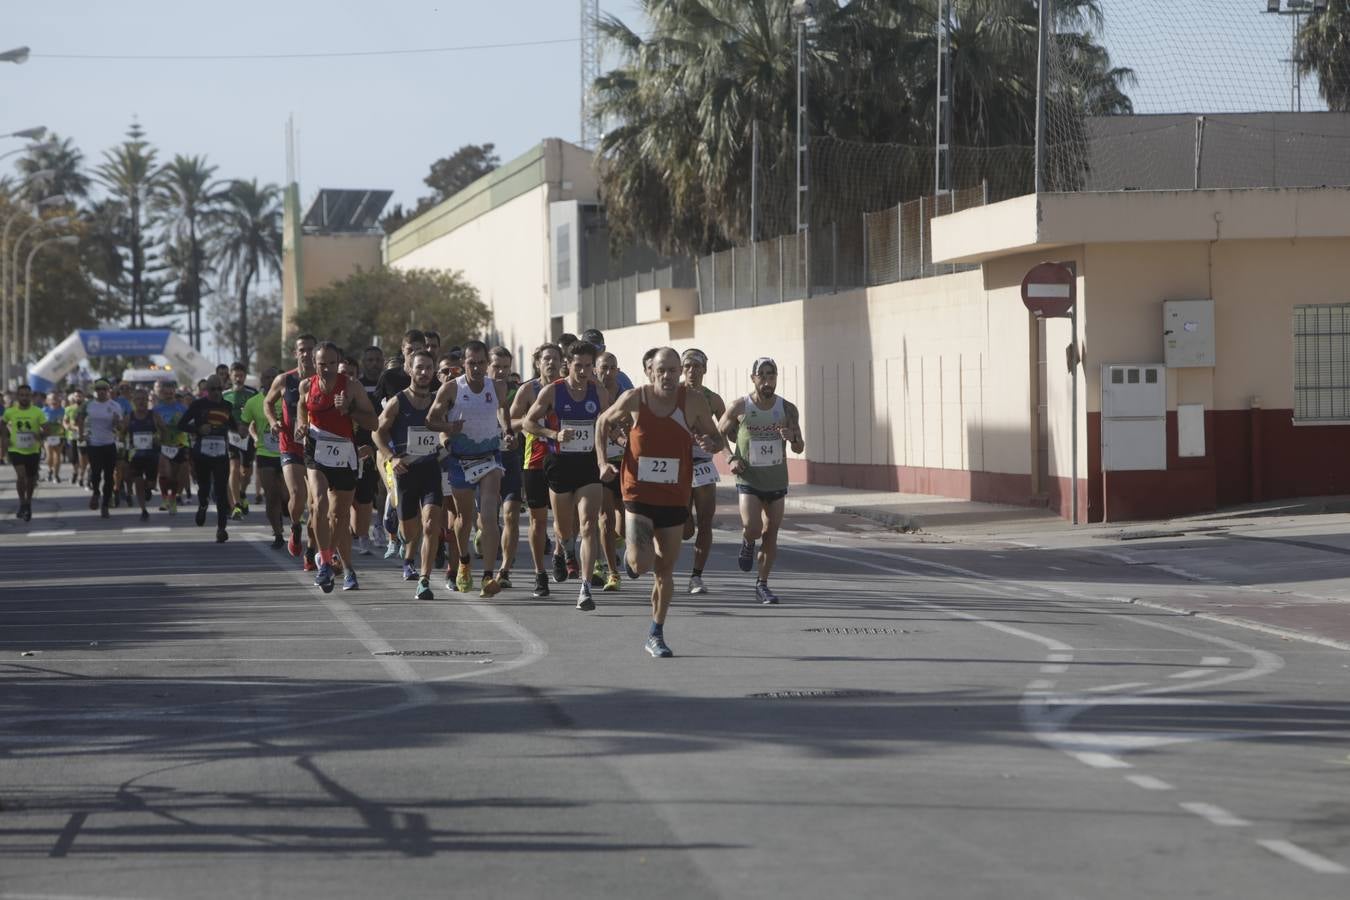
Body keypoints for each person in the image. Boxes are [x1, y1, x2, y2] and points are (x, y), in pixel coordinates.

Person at [597, 347, 723, 657]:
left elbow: (717, 437)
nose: (667, 375)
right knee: (642, 563)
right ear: (650, 371)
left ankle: (656, 632)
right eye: (661, 370)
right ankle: (632, 557)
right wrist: (603, 462)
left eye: (672, 370)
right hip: (638, 492)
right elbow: (602, 422)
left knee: (665, 572)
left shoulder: (692, 401)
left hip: (674, 494)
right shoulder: (635, 399)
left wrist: (711, 442)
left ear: (680, 372)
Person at [522, 340, 611, 611]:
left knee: (588, 524)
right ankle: (566, 547)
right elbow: (528, 422)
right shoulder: (552, 391)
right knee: (563, 528)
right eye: (578, 366)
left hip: (587, 464)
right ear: (567, 365)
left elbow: (604, 426)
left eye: (588, 366)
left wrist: (606, 455)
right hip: (559, 463)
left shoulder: (599, 392)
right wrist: (553, 435)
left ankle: (584, 587)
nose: (583, 371)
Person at [719, 357, 805, 605]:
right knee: (754, 528)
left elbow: (799, 447)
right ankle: (747, 541)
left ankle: (762, 584)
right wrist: (731, 458)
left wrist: (792, 438)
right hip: (749, 479)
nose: (768, 381)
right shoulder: (740, 407)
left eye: (772, 375)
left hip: (776, 480)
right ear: (753, 378)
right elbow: (718, 434)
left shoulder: (787, 409)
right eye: (763, 375)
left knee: (771, 534)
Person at [295, 342, 379, 593]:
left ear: (338, 362)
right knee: (319, 504)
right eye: (322, 364)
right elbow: (301, 406)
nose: (327, 368)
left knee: (339, 516)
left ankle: (348, 568)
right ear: (314, 362)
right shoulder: (306, 385)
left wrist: (349, 410)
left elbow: (373, 422)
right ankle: (324, 561)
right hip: (316, 450)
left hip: (343, 453)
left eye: (332, 363)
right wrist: (301, 424)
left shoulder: (352, 387)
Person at [428, 340, 509, 598]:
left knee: (487, 515)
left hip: (489, 458)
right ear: (463, 363)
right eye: (471, 363)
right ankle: (463, 561)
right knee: (463, 520)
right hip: (461, 460)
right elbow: (431, 420)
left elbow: (503, 412)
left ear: (488, 363)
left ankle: (487, 575)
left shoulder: (496, 386)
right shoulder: (451, 389)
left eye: (481, 363)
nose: (476, 368)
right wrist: (448, 429)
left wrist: (507, 431)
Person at [375, 349, 446, 600]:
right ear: (410, 370)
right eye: (419, 368)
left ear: (434, 371)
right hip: (405, 471)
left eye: (428, 368)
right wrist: (391, 457)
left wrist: (448, 438)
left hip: (430, 470)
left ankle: (424, 580)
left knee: (430, 525)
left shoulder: (439, 401)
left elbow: (447, 429)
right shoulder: (398, 401)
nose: (424, 373)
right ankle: (405, 549)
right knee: (410, 531)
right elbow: (377, 432)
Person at [509, 343, 563, 599]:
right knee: (538, 521)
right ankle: (540, 574)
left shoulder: (569, 388)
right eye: (546, 360)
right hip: (535, 460)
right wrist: (531, 421)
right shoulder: (528, 389)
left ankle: (561, 552)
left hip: (565, 459)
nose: (550, 363)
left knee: (566, 520)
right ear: (537, 363)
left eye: (555, 359)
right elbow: (511, 421)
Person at [266, 334, 319, 569]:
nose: (306, 353)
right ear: (295, 353)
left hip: (317, 448)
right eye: (302, 349)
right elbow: (268, 402)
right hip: (290, 445)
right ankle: (296, 526)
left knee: (317, 503)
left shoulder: (322, 380)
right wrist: (272, 421)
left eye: (310, 349)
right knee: (297, 495)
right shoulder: (284, 380)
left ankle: (311, 550)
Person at [679, 349, 727, 594]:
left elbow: (723, 434)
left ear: (704, 370)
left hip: (703, 465)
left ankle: (696, 577)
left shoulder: (713, 399)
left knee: (705, 522)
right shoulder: (671, 395)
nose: (691, 371)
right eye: (687, 366)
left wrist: (720, 448)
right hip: (678, 467)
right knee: (684, 529)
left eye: (697, 366)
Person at [178, 375, 241, 542]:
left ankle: (221, 529)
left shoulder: (227, 406)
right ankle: (203, 505)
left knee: (221, 492)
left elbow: (234, 427)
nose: (216, 392)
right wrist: (198, 429)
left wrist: (241, 430)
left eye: (219, 389)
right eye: (212, 389)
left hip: (221, 454)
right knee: (204, 488)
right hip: (202, 454)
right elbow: (181, 424)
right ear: (207, 390)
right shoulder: (198, 405)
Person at [242, 366, 287, 547]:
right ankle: (277, 533)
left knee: (288, 495)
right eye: (266, 377)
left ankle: (291, 515)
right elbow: (245, 426)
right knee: (271, 495)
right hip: (264, 453)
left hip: (287, 452)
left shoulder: (288, 399)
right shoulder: (254, 402)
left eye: (272, 376)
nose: (269, 380)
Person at [340, 356, 380, 556]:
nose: (346, 378)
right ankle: (340, 535)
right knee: (340, 499)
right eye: (342, 374)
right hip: (338, 457)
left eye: (351, 374)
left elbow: (377, 426)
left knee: (364, 500)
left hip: (364, 456)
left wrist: (372, 448)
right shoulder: (329, 399)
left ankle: (363, 537)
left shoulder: (366, 399)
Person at [489, 346, 522, 588]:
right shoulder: (472, 390)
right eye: (496, 366)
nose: (501, 371)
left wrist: (511, 430)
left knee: (510, 514)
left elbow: (528, 417)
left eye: (505, 367)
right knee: (487, 517)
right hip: (481, 460)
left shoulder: (517, 391)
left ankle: (505, 570)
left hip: (509, 458)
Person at [595, 351, 627, 592]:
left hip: (626, 462)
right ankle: (612, 573)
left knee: (623, 520)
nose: (607, 372)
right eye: (603, 368)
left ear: (618, 370)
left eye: (612, 368)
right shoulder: (590, 393)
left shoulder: (627, 396)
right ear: (596, 370)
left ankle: (611, 550)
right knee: (604, 519)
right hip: (601, 462)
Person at [77, 380, 123, 517]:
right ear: (94, 391)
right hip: (94, 444)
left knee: (109, 476)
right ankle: (96, 492)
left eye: (104, 389)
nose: (101, 391)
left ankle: (105, 504)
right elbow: (79, 418)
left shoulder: (115, 405)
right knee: (96, 472)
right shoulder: (88, 405)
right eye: (98, 389)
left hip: (109, 443)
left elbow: (120, 427)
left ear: (108, 390)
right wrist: (81, 434)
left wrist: (116, 423)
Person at [2, 384, 47, 520]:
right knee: (21, 476)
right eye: (21, 395)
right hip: (16, 449)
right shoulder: (10, 411)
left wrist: (40, 436)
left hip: (33, 450)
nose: (24, 397)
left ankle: (28, 502)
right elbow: (2, 424)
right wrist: (5, 438)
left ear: (31, 397)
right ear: (17, 396)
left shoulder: (37, 412)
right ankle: (22, 502)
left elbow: (47, 428)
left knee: (31, 479)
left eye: (27, 395)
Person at [120, 388, 164, 521]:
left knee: (150, 483)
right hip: (135, 456)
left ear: (147, 401)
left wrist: (159, 438)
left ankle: (149, 488)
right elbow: (122, 433)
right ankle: (143, 510)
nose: (141, 402)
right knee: (138, 481)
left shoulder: (154, 415)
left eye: (144, 399)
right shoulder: (129, 417)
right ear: (133, 401)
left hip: (152, 455)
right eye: (138, 399)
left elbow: (164, 431)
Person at [223, 361, 259, 520]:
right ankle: (236, 505)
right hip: (231, 435)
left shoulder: (252, 393)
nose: (238, 378)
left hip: (248, 435)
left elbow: (259, 412)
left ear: (245, 376)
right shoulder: (224, 395)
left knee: (246, 471)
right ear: (230, 376)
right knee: (234, 467)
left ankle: (242, 492)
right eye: (235, 375)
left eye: (241, 376)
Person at [153, 382, 190, 514]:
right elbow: (153, 427)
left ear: (174, 391)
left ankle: (173, 498)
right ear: (161, 393)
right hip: (164, 444)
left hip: (180, 444)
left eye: (171, 391)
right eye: (165, 391)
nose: (168, 393)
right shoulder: (156, 409)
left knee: (175, 476)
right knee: (165, 473)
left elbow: (189, 424)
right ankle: (164, 499)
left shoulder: (182, 408)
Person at [374, 329, 424, 405]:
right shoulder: (389, 376)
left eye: (418, 350)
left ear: (424, 350)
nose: (414, 353)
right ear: (403, 349)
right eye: (410, 350)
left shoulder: (431, 378)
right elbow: (374, 406)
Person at [64, 389, 88, 487]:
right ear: (73, 397)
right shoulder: (69, 408)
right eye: (76, 396)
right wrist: (68, 427)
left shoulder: (87, 408)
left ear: (83, 397)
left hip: (84, 436)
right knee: (74, 457)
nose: (78, 398)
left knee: (82, 456)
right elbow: (65, 421)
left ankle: (81, 476)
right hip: (72, 436)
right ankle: (75, 471)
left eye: (80, 396)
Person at [41, 391, 66, 483]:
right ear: (47, 401)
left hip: (59, 436)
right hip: (48, 436)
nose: (54, 400)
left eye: (56, 398)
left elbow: (66, 422)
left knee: (58, 455)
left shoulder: (63, 410)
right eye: (52, 399)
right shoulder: (44, 410)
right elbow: (39, 423)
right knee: (49, 455)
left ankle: (56, 475)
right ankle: (50, 469)